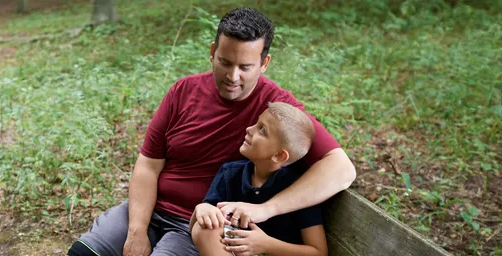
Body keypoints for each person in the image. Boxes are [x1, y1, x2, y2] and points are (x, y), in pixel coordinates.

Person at [68, 7, 355, 256]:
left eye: (245, 67)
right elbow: (148, 165)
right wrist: (137, 230)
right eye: (225, 63)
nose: (233, 77)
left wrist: (266, 209)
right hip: (148, 211)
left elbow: (342, 169)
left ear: (264, 64)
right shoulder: (182, 91)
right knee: (83, 252)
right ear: (212, 52)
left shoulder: (277, 111)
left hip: (201, 224)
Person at [192, 102, 326, 256]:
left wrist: (267, 245)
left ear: (279, 155)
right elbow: (197, 229)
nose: (249, 129)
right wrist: (202, 209)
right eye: (256, 123)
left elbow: (318, 252)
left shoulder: (298, 189)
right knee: (204, 228)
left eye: (262, 130)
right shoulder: (230, 174)